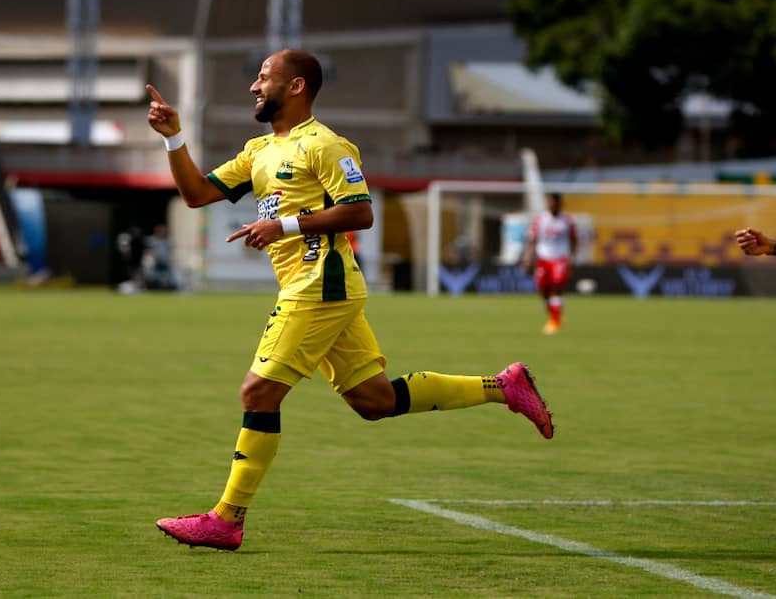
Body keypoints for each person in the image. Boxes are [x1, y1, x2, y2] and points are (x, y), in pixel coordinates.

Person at [146, 49, 554, 552]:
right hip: (315, 289)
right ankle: (504, 387)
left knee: (258, 394)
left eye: (264, 77)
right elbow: (195, 195)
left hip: (320, 286)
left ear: (295, 87)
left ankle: (227, 519)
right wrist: (174, 138)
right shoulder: (258, 152)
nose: (254, 86)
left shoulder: (327, 145)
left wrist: (284, 224)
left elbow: (361, 213)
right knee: (373, 401)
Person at [522, 193, 578, 335]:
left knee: (556, 287)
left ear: (560, 204)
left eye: (555, 203)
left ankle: (555, 321)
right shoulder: (540, 219)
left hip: (560, 259)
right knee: (543, 290)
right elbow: (533, 240)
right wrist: (528, 258)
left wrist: (572, 259)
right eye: (550, 203)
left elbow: (574, 240)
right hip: (543, 258)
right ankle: (555, 317)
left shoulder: (567, 221)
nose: (552, 205)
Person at [143, 224, 177, 291]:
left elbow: (172, 250)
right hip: (155, 264)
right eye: (161, 231)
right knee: (153, 279)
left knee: (170, 279)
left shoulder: (168, 241)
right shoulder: (152, 240)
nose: (163, 233)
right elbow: (147, 250)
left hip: (166, 263)